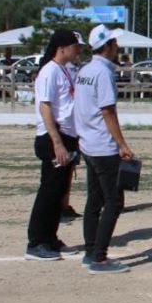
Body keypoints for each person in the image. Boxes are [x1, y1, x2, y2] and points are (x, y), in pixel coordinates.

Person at [74, 24, 135, 274]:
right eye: (114, 42)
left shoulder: (85, 70)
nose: (117, 46)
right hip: (103, 145)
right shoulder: (103, 72)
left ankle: (90, 251)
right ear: (107, 46)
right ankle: (99, 257)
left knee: (94, 200)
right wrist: (122, 144)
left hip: (88, 143)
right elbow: (108, 110)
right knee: (114, 201)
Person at [25, 29, 83, 261]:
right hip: (52, 137)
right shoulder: (49, 71)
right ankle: (36, 242)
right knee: (49, 191)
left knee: (59, 191)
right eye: (75, 46)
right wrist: (57, 142)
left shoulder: (63, 70)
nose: (78, 50)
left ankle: (50, 238)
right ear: (62, 47)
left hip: (66, 136)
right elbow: (46, 107)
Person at [60, 35, 84, 222]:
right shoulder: (60, 70)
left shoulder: (77, 68)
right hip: (64, 127)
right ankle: (61, 205)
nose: (80, 50)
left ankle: (65, 204)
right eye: (77, 46)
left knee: (70, 169)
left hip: (74, 124)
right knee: (62, 170)